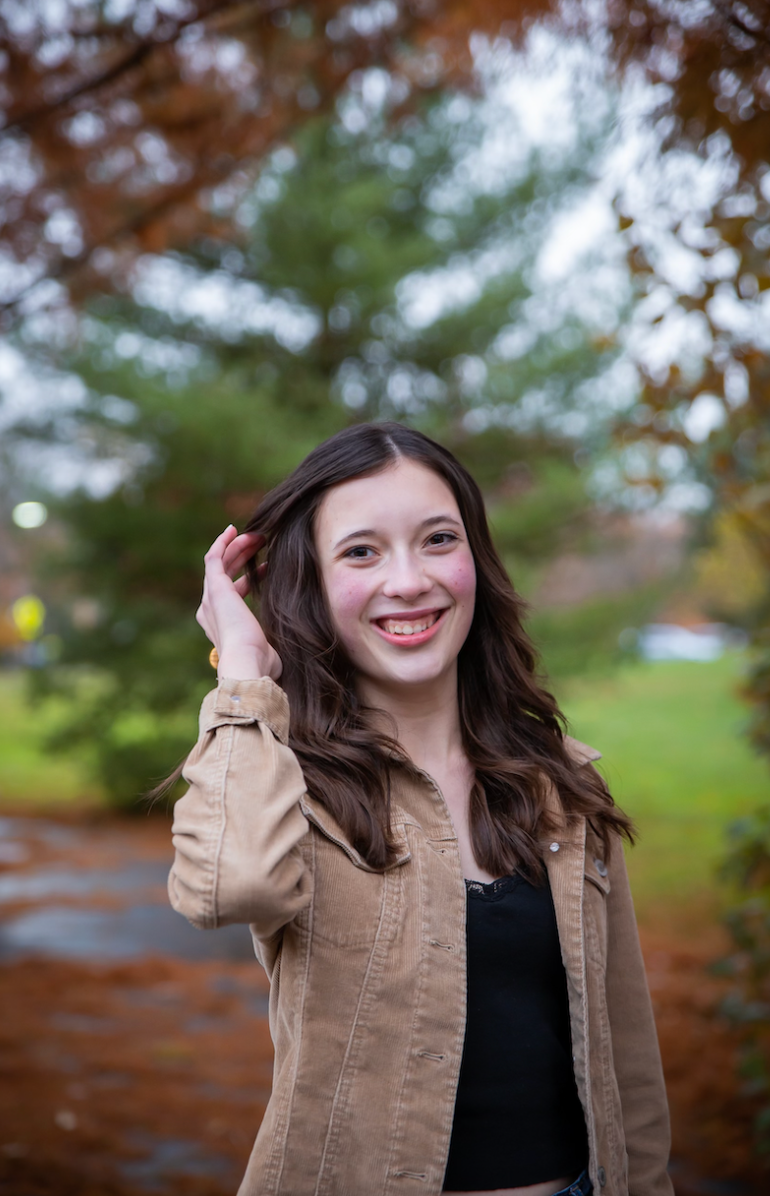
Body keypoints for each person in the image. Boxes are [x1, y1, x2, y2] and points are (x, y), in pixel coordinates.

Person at [168, 421, 673, 1196]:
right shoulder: (284, 776)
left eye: (438, 540)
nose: (408, 581)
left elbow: (626, 1054)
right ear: (313, 584)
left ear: (475, 560)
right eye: (362, 552)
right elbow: (229, 889)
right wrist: (241, 668)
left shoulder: (562, 786)